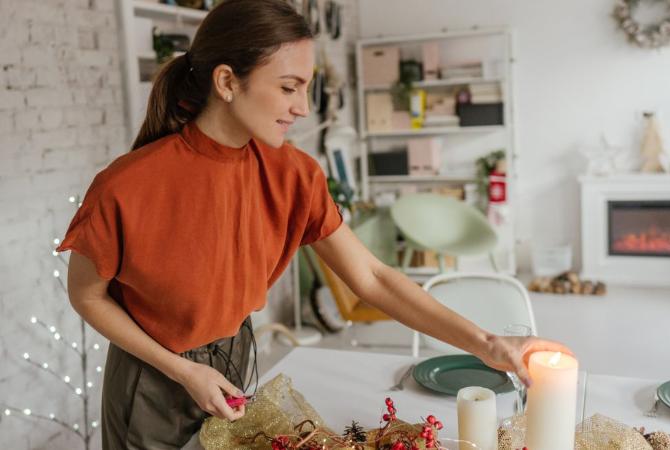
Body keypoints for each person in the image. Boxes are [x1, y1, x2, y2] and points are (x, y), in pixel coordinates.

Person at [57, 0, 572, 448]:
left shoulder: (294, 174)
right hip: (152, 378)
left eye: (307, 87)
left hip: (234, 356)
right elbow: (87, 295)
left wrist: (488, 345)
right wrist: (182, 369)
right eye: (288, 87)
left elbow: (372, 278)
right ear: (227, 82)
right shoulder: (129, 183)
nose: (302, 107)